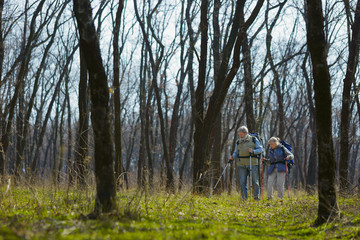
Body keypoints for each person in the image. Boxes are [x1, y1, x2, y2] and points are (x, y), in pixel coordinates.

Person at [230, 126, 263, 200]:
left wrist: (253, 151)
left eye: (241, 134)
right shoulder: (238, 142)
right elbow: (236, 152)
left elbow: (261, 149)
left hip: (252, 163)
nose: (240, 136)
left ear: (246, 133)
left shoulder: (253, 139)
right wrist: (233, 156)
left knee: (255, 181)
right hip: (241, 164)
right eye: (239, 134)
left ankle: (256, 198)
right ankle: (244, 198)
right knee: (242, 182)